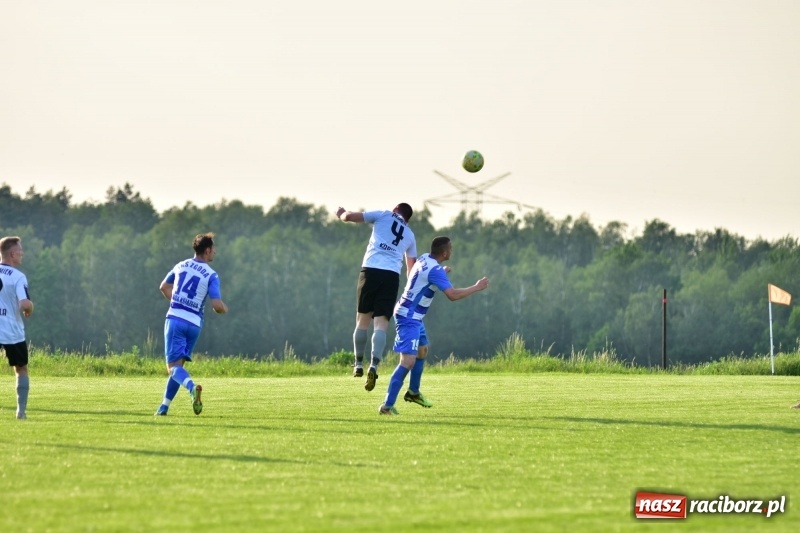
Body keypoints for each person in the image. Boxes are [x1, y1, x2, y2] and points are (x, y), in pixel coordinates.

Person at [379, 236, 489, 415]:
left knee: (422, 351)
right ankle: (386, 406)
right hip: (409, 317)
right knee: (407, 362)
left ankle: (413, 392)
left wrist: (442, 272)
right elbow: (452, 295)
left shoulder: (425, 259)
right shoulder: (435, 270)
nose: (452, 251)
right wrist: (477, 287)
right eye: (451, 248)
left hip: (414, 315)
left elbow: (424, 276)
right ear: (445, 252)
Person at [336, 203, 417, 392]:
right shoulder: (410, 235)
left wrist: (341, 214)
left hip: (371, 270)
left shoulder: (383, 215)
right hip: (391, 276)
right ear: (408, 219)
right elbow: (411, 269)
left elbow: (350, 217)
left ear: (395, 209)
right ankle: (374, 365)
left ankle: (358, 364)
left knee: (362, 321)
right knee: (381, 324)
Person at [154, 233, 228, 416]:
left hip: (176, 319)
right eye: (213, 249)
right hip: (194, 324)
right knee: (178, 367)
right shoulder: (211, 274)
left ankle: (192, 388)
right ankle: (164, 407)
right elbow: (217, 305)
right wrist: (225, 309)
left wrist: (177, 302)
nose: (215, 252)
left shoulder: (181, 265)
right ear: (207, 250)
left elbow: (163, 286)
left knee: (172, 368)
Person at [0, 236, 34, 420]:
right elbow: (25, 303)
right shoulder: (18, 277)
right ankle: (21, 411)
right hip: (12, 331)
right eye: (20, 251)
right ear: (12, 253)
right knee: (21, 368)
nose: (22, 254)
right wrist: (30, 308)